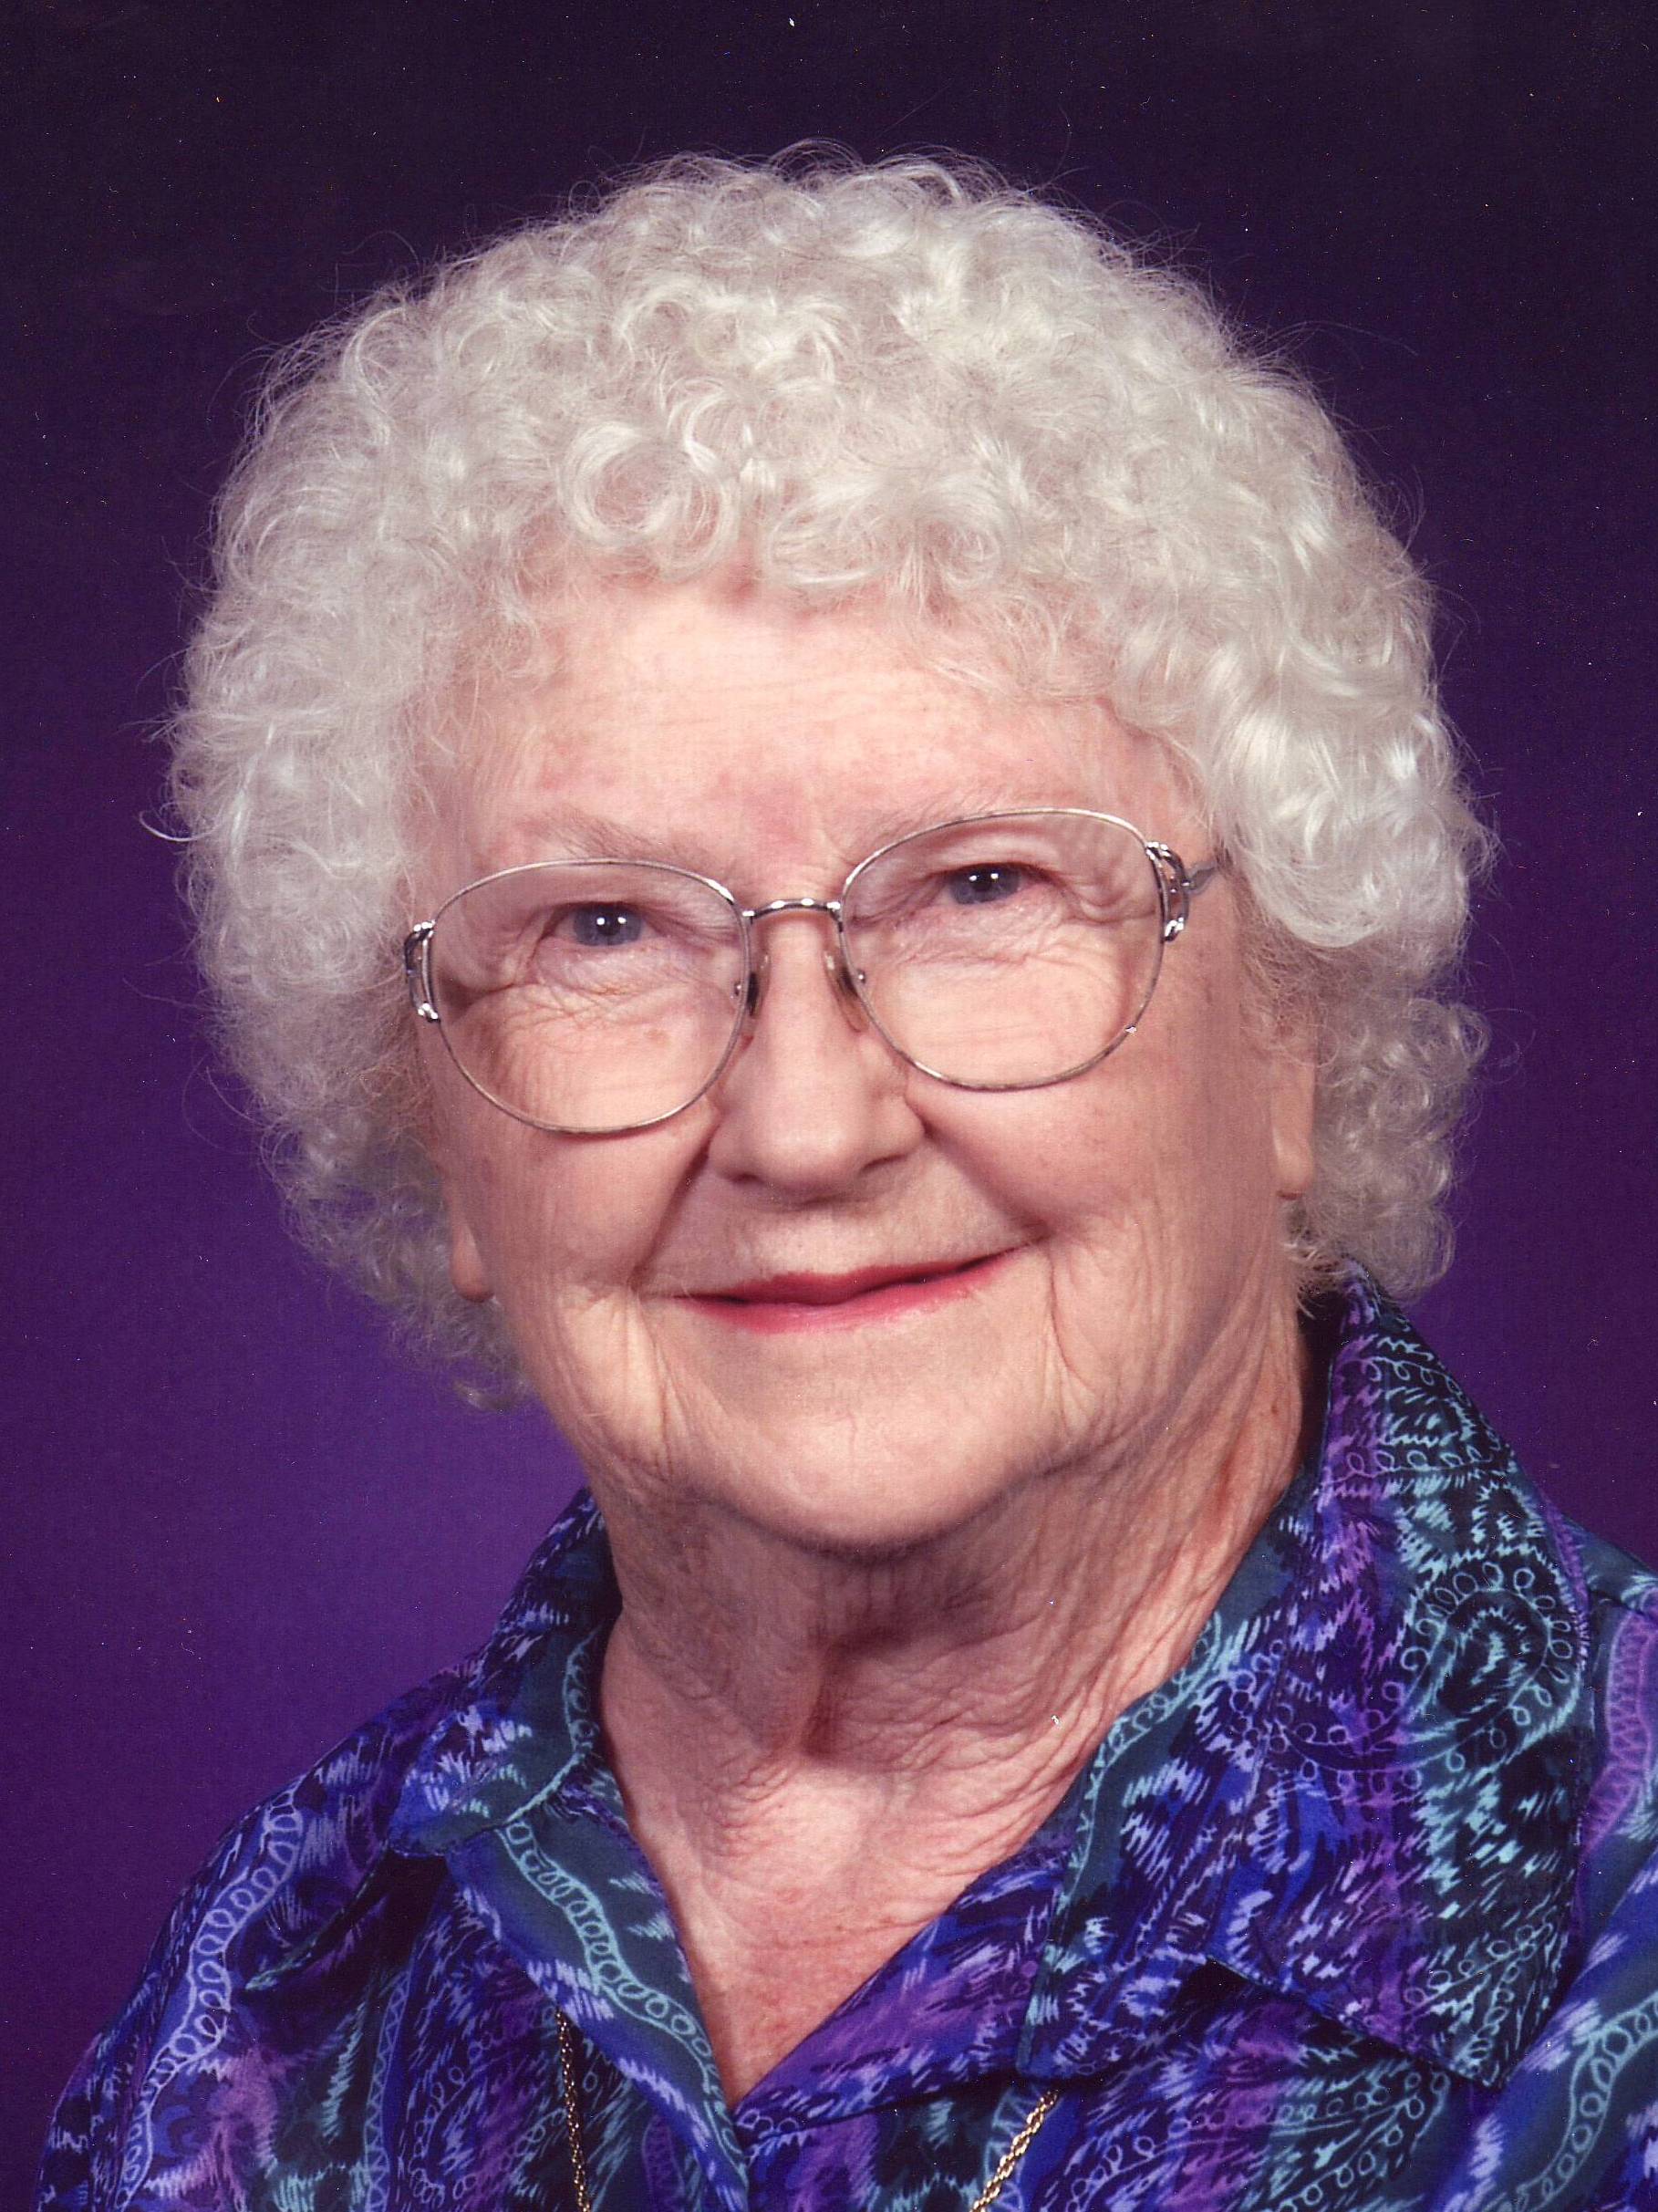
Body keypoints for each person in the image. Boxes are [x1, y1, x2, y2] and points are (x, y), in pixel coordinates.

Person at [36, 153, 1658, 2212]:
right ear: (429, 1113)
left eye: (984, 887)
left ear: (1290, 1033)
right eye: (605, 928)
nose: (805, 1126)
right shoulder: (278, 2001)